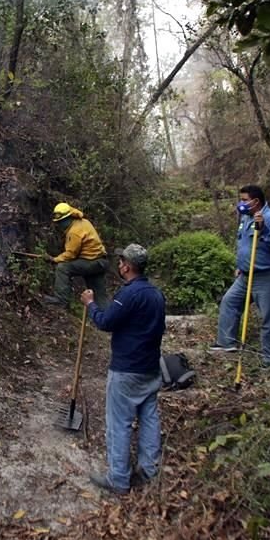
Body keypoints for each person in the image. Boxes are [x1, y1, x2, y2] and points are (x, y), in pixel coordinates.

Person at [80, 244, 166, 495]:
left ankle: (118, 479)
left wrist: (90, 304)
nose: (119, 265)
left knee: (119, 423)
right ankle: (149, 471)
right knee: (149, 418)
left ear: (127, 266)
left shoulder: (129, 294)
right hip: (150, 368)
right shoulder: (156, 294)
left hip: (127, 369)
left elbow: (106, 322)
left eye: (121, 262)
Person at [209, 185, 270, 367]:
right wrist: (240, 265)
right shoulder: (246, 217)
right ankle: (226, 343)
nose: (241, 203)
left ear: (256, 201)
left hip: (268, 275)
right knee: (229, 302)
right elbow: (244, 243)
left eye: (244, 200)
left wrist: (264, 230)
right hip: (246, 275)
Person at [43, 202, 108, 307]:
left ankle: (61, 300)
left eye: (61, 221)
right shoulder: (83, 222)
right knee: (98, 296)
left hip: (91, 262)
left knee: (63, 267)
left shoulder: (74, 232)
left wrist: (54, 259)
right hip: (100, 262)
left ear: (68, 218)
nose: (59, 224)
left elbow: (71, 254)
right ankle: (107, 318)